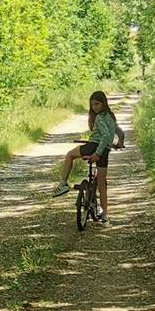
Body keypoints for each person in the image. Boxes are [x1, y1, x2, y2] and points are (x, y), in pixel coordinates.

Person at [51, 90, 125, 224]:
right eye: (92, 105)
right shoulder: (110, 116)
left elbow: (106, 136)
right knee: (102, 185)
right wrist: (119, 143)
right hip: (105, 150)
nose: (95, 107)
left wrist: (97, 153)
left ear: (103, 103)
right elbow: (117, 132)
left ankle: (63, 184)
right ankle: (105, 216)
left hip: (94, 146)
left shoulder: (100, 117)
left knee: (69, 155)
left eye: (97, 104)